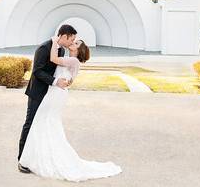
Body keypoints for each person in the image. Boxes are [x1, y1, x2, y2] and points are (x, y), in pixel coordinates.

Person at [19, 35, 122, 182]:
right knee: (45, 122)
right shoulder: (69, 58)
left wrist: (55, 41)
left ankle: (34, 157)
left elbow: (54, 60)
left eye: (76, 42)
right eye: (74, 40)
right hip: (55, 92)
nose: (74, 42)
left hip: (56, 94)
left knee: (45, 120)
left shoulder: (73, 60)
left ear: (78, 49)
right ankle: (36, 155)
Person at [18, 24, 76, 171]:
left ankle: (35, 157)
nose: (72, 42)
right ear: (63, 36)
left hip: (51, 95)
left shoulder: (62, 50)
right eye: (71, 39)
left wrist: (64, 80)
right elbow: (37, 71)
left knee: (42, 126)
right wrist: (56, 82)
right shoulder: (44, 48)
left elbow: (58, 70)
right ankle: (21, 160)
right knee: (30, 124)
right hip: (37, 93)